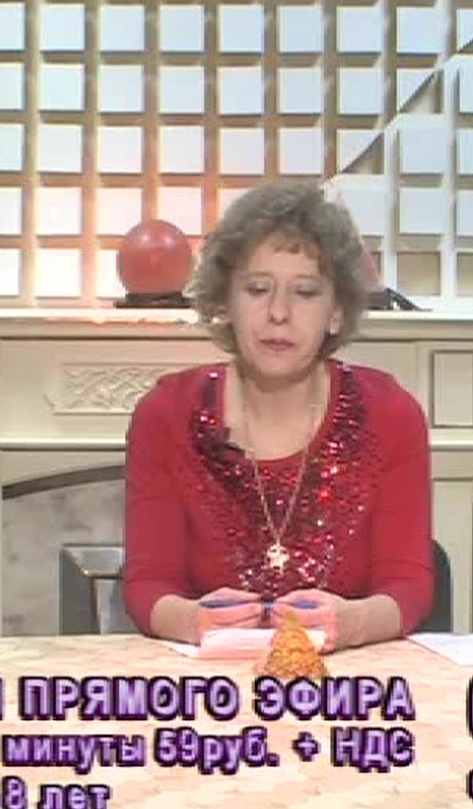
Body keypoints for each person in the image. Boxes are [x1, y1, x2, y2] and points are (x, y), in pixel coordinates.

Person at [123, 181, 433, 653]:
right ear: (225, 304)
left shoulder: (390, 415)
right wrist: (191, 621)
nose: (279, 314)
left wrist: (354, 624)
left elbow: (408, 587)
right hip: (212, 677)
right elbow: (147, 585)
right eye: (257, 289)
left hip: (348, 679)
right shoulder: (166, 414)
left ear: (335, 312)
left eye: (305, 292)